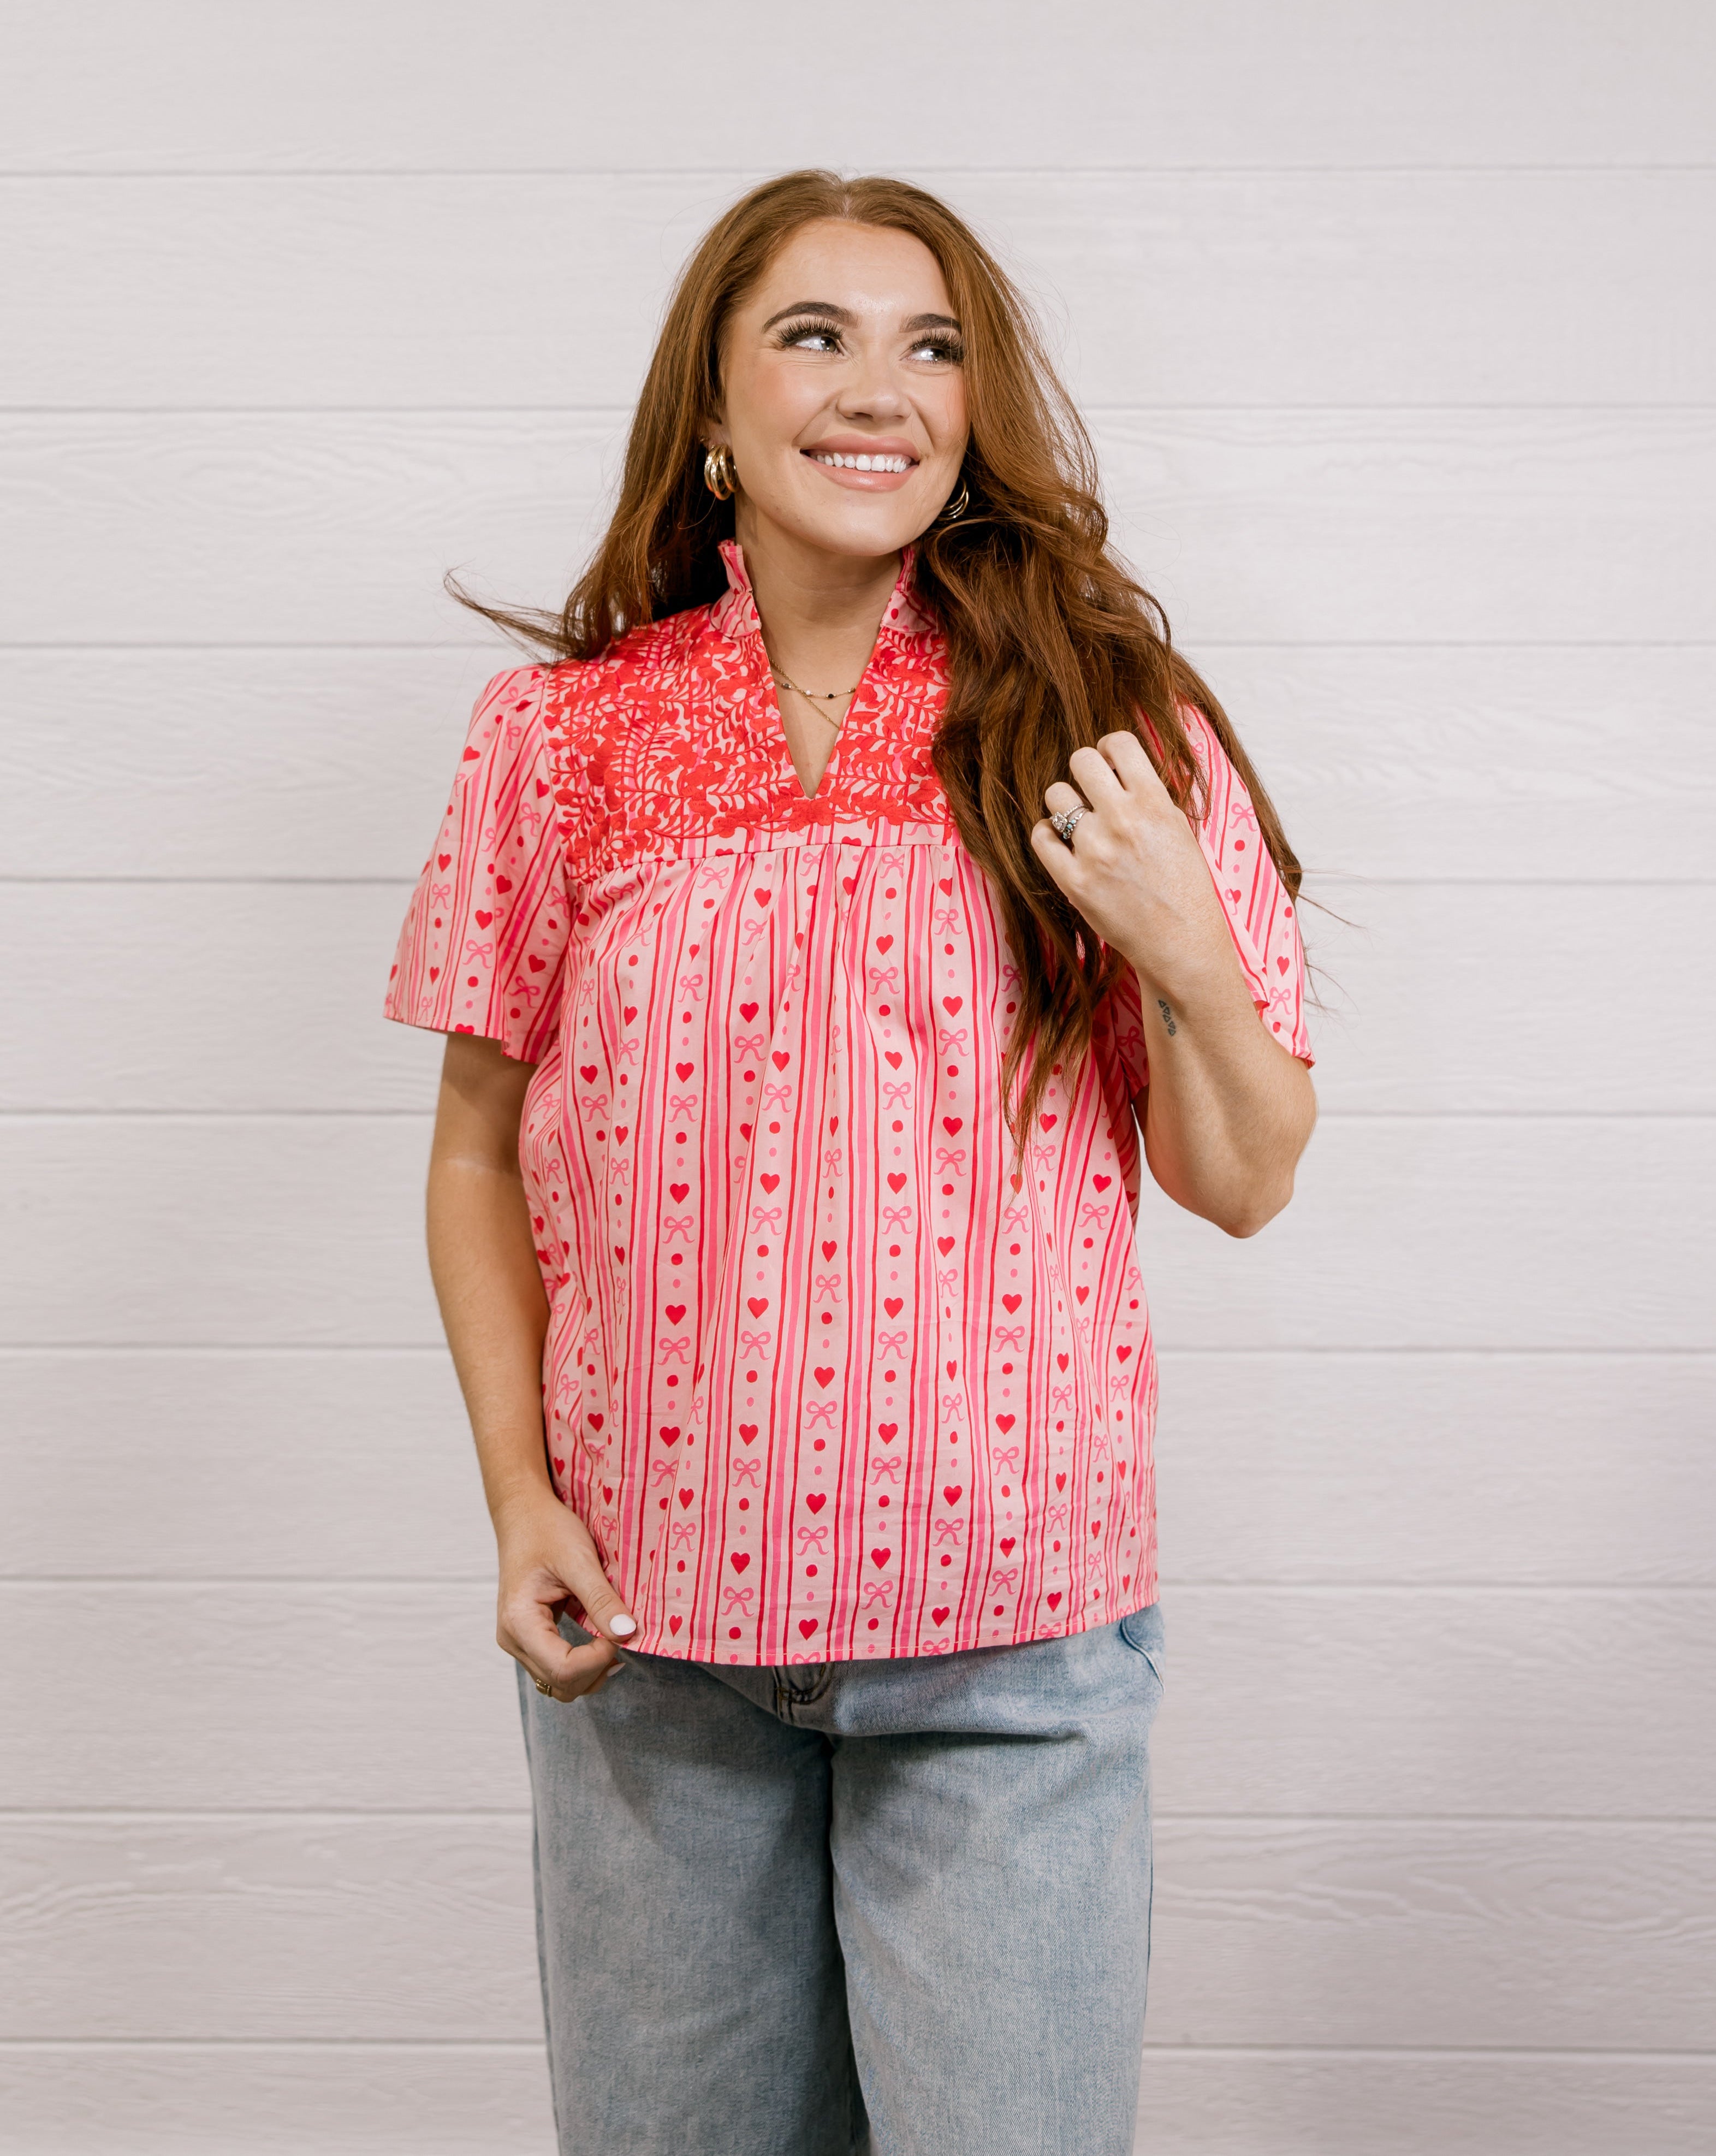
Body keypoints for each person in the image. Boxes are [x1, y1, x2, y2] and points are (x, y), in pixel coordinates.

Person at [385, 169, 1315, 2156]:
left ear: (974, 411)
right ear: (715, 405)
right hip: (652, 1651)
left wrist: (1185, 951)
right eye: (814, 336)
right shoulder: (560, 740)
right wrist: (519, 1498)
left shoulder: (1103, 725)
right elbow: (476, 1154)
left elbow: (1245, 1177)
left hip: (1015, 1648)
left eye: (932, 346)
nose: (877, 388)